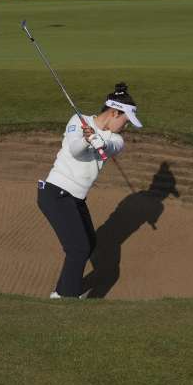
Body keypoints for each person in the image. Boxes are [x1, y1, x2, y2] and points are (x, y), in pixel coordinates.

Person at [38, 82, 142, 299]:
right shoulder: (78, 121)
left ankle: (63, 290)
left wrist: (98, 140)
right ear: (114, 113)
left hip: (75, 198)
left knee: (89, 243)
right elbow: (75, 150)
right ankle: (65, 298)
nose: (126, 126)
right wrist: (87, 140)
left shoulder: (116, 139)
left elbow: (110, 147)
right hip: (56, 193)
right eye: (125, 120)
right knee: (78, 249)